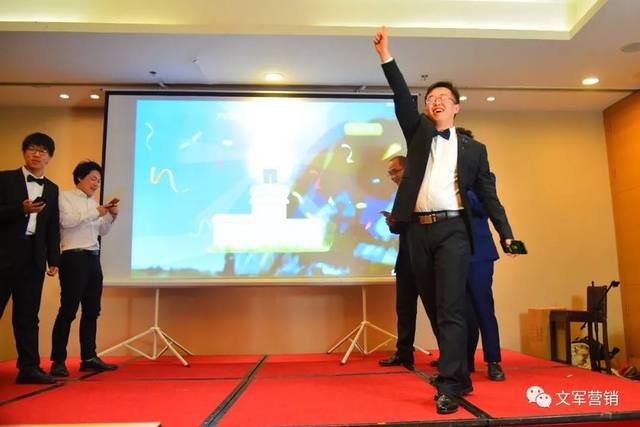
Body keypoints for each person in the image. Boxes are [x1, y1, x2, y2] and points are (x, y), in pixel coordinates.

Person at [373, 27, 517, 414]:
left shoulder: (474, 149)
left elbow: (488, 194)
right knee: (435, 306)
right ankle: (460, 372)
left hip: (454, 231)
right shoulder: (418, 132)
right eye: (431, 98)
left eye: (443, 98)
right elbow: (401, 96)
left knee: (452, 306)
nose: (436, 101)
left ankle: (451, 382)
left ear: (456, 107)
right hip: (418, 231)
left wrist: (506, 233)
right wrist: (386, 56)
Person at [0, 132, 60, 384]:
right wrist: (20, 209)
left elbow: (52, 226)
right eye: (32, 149)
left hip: (33, 258)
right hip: (4, 255)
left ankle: (29, 368)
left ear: (49, 157)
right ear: (24, 152)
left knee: (27, 315)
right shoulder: (5, 179)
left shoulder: (52, 188)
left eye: (42, 151)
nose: (37, 154)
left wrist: (53, 259)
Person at [49, 161, 119, 377]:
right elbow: (66, 222)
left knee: (92, 310)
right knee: (68, 310)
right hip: (73, 257)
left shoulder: (93, 203)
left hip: (93, 258)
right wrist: (95, 212)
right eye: (92, 179)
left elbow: (102, 231)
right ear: (79, 178)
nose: (96, 184)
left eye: (99, 180)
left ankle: (89, 358)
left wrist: (111, 216)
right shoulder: (65, 197)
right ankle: (58, 361)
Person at [379, 155, 439, 371]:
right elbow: (399, 229)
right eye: (390, 174)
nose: (393, 177)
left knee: (435, 310)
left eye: (395, 171)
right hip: (405, 261)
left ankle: (448, 354)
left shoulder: (424, 191)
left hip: (424, 260)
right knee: (404, 310)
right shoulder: (400, 195)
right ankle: (404, 353)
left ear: (407, 169)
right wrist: (392, 222)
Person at [456, 128, 505, 381]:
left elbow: (484, 207)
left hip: (479, 251)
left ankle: (493, 361)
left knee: (483, 306)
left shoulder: (483, 177)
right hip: (452, 251)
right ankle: (463, 360)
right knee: (459, 310)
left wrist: (461, 190)